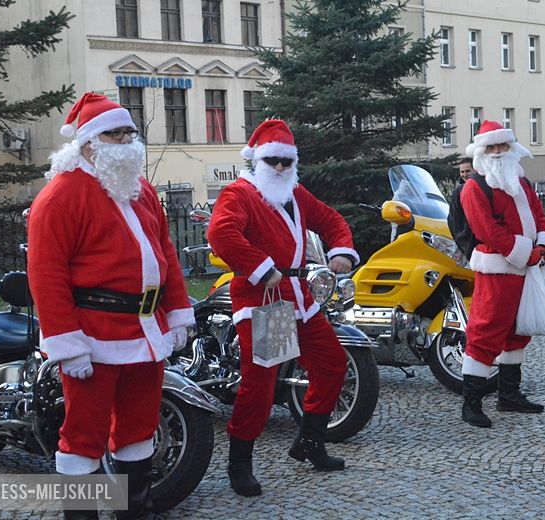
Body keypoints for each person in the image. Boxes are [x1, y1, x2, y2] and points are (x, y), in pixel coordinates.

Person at [27, 93, 194, 519]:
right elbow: (46, 277)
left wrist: (176, 314)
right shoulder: (60, 196)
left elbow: (166, 256)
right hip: (93, 336)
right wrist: (68, 345)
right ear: (87, 142)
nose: (125, 140)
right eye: (113, 133)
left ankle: (132, 511)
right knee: (83, 438)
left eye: (129, 133)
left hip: (146, 331)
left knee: (139, 431)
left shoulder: (141, 191)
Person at [206, 119, 359, 497]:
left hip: (299, 297)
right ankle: (240, 462)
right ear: (257, 159)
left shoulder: (295, 193)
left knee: (331, 363)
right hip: (267, 300)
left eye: (285, 161)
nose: (278, 167)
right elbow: (221, 233)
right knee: (260, 384)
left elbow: (331, 219)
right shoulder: (240, 194)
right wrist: (262, 268)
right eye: (272, 159)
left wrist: (341, 249)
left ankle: (309, 440)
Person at [459, 120, 545, 428]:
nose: (499, 152)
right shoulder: (474, 187)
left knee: (518, 331)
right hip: (498, 270)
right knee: (486, 331)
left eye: (503, 145)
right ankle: (471, 402)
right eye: (492, 147)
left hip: (524, 266)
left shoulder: (522, 181)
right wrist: (526, 253)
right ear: (481, 151)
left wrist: (543, 244)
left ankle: (508, 395)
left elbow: (539, 215)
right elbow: (487, 231)